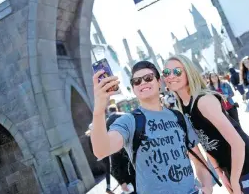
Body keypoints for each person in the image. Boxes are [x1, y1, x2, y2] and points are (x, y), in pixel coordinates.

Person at [90, 61, 214, 194]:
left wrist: (207, 188)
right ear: (133, 88)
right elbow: (101, 150)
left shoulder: (178, 117)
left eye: (148, 78)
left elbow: (198, 159)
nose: (142, 83)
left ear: (159, 82)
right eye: (136, 81)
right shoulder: (129, 121)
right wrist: (98, 109)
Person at [164, 55, 249, 194]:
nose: (171, 76)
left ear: (189, 72)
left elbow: (238, 143)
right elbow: (206, 142)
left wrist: (234, 180)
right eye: (167, 72)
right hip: (229, 168)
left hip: (247, 165)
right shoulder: (183, 106)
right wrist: (219, 172)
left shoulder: (203, 101)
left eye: (177, 71)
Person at [105, 105, 136, 194]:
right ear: (117, 109)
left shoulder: (107, 122)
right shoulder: (126, 115)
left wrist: (121, 182)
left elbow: (114, 167)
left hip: (118, 150)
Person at [86, 125, 114, 194]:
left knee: (109, 169)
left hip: (101, 154)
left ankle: (109, 187)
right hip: (105, 152)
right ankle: (109, 187)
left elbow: (91, 149)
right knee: (110, 168)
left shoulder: (90, 137)